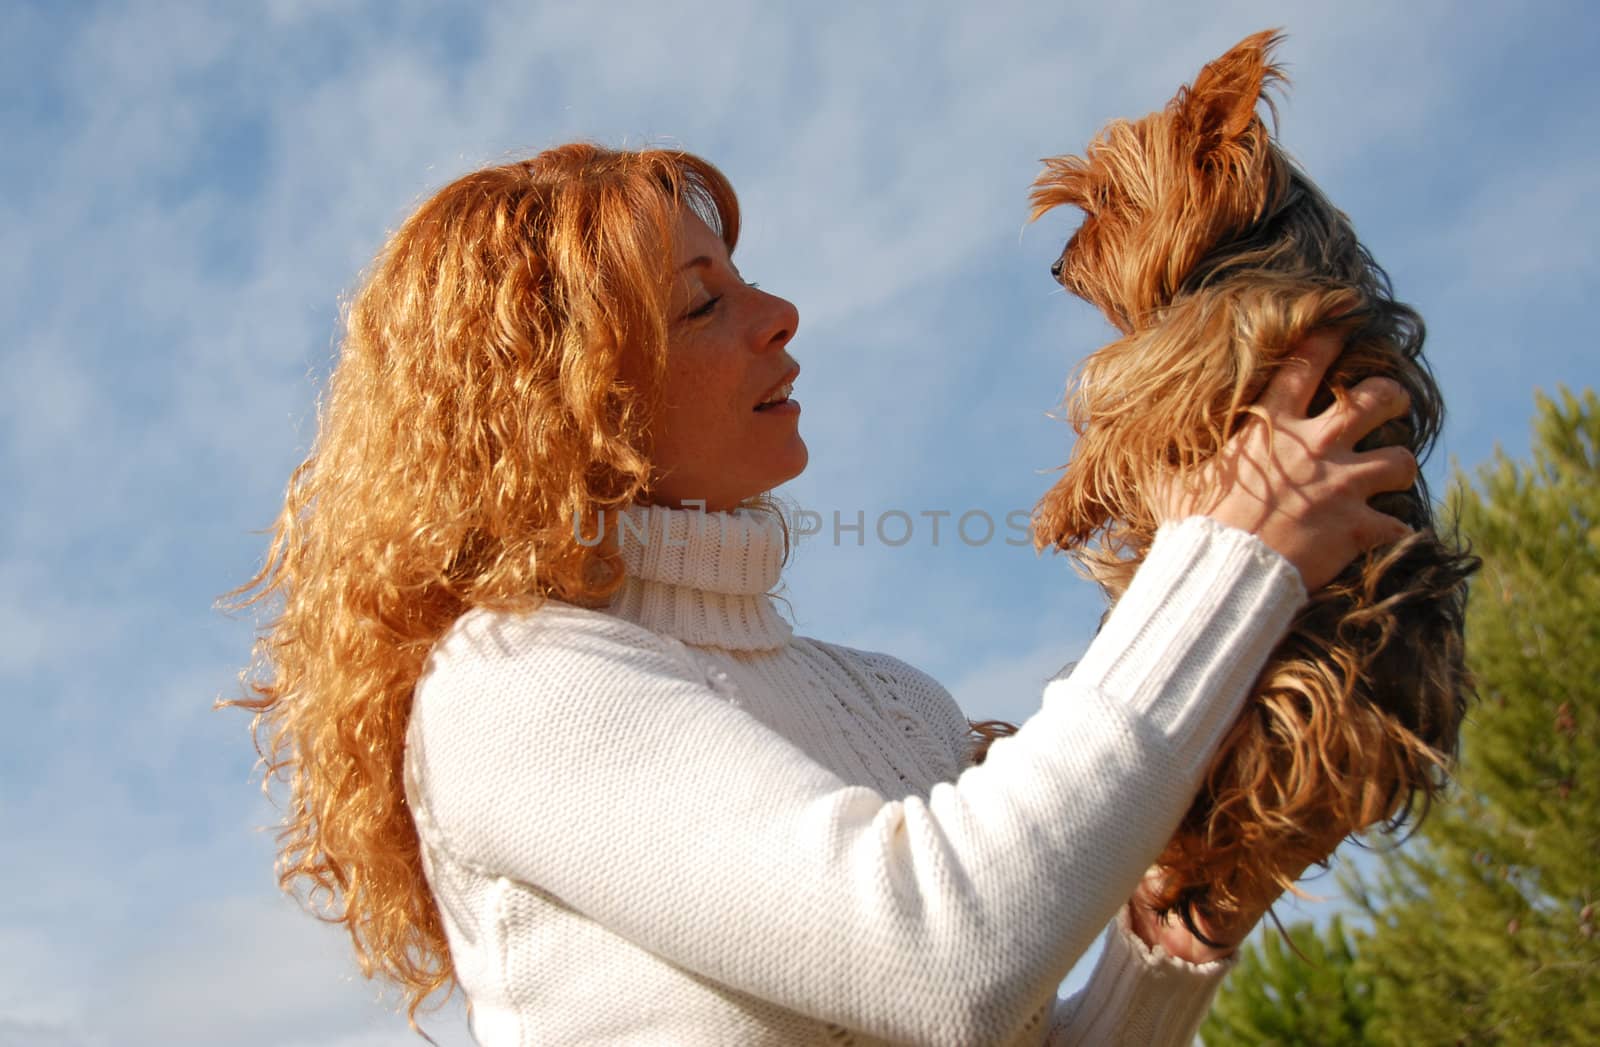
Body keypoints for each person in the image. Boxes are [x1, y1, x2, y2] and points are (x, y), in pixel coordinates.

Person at [225, 144, 1417, 1045]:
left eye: (740, 280)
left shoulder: (892, 703)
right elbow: (947, 951)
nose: (777, 314)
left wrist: (1173, 937)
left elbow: (1001, 1021)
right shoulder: (515, 685)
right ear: (569, 408)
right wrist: (1226, 554)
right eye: (703, 302)